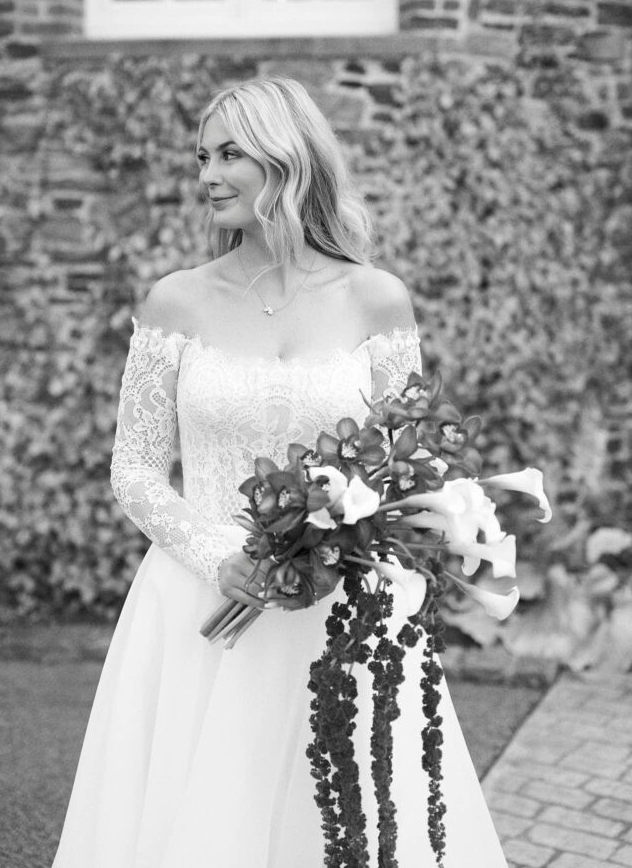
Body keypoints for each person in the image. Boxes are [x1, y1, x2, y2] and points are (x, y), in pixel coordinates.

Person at [51, 77, 507, 867]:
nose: (207, 176)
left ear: (288, 160)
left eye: (230, 153)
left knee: (348, 810)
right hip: (198, 600)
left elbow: (408, 457)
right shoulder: (175, 301)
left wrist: (340, 543)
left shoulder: (377, 299)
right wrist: (219, 558)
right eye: (202, 157)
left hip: (344, 602)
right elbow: (133, 467)